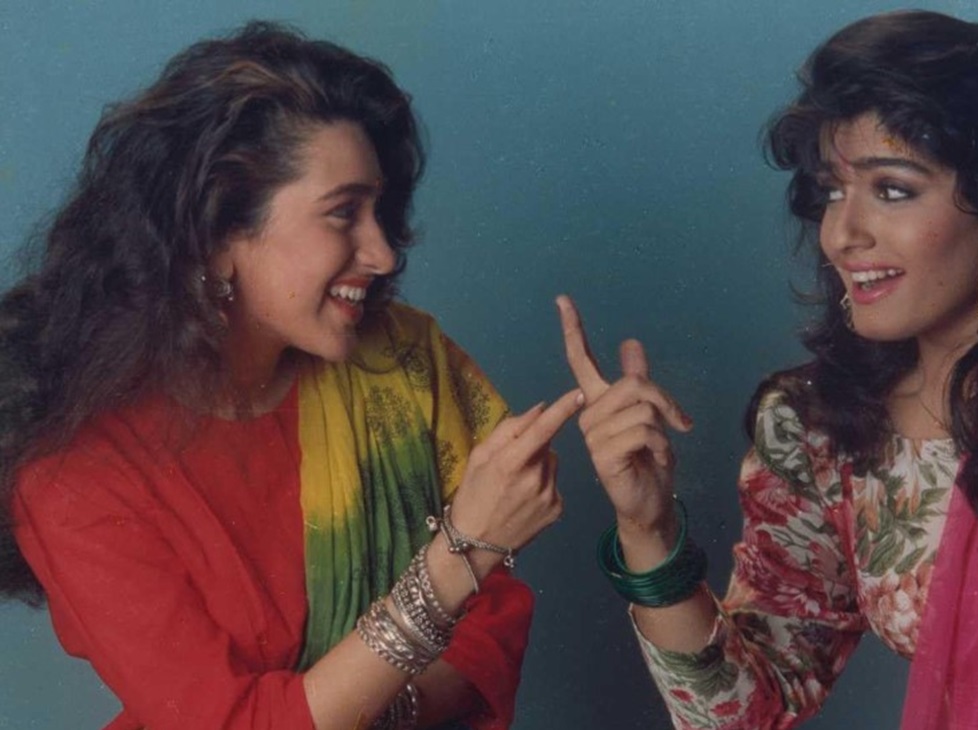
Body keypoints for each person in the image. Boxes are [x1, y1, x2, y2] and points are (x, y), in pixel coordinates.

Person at [557, 10, 978, 730]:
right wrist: (647, 533)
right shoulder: (824, 431)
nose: (841, 234)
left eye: (892, 189)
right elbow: (742, 714)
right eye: (833, 190)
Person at [0, 22, 580, 730]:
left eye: (379, 210)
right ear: (217, 235)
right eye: (343, 213)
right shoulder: (75, 474)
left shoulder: (401, 365)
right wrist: (455, 556)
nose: (383, 252)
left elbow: (491, 614)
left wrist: (376, 709)